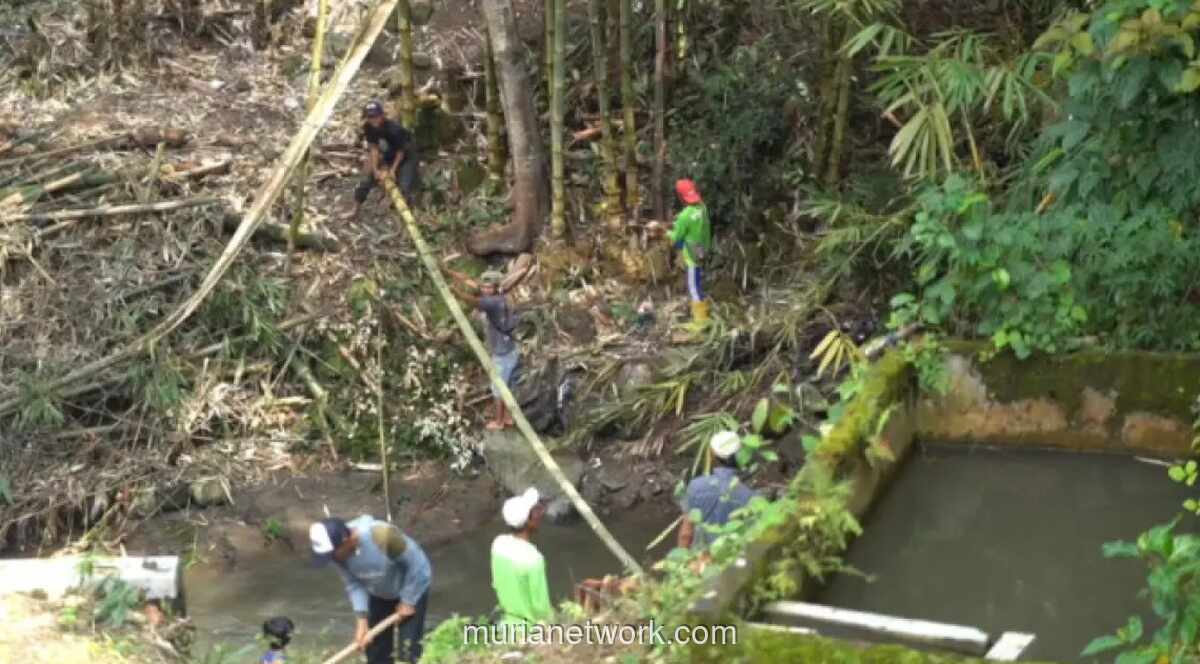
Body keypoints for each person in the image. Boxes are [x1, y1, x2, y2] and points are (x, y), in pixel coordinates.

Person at [310, 516, 432, 664]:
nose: (332, 560)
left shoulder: (381, 536)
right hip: (378, 592)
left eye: (332, 555)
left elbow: (418, 565)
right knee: (375, 648)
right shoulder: (337, 556)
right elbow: (354, 583)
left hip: (412, 586)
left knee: (408, 649)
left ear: (345, 540)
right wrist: (362, 621)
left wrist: (408, 600)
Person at [443, 259, 529, 431]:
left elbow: (474, 302)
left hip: (503, 353)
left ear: (496, 287)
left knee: (498, 388)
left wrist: (456, 293)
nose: (484, 290)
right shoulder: (500, 293)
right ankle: (507, 417)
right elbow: (471, 282)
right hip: (511, 348)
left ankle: (499, 422)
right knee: (509, 385)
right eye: (484, 287)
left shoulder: (493, 302)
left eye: (488, 288)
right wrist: (448, 272)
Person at [677, 431, 758, 550]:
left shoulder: (696, 486)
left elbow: (686, 534)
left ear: (713, 454)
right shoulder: (749, 496)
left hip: (699, 561)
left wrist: (680, 563)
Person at [346, 100, 420, 219]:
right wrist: (375, 170)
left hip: (406, 155)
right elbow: (374, 149)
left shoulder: (394, 129)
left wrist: (392, 170)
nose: (373, 120)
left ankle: (404, 215)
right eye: (370, 117)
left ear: (382, 115)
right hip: (388, 153)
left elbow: (401, 152)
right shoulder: (368, 127)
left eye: (376, 116)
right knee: (365, 181)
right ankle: (355, 210)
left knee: (405, 186)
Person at [490, 487, 553, 626]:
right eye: (536, 511)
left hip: (506, 626)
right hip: (528, 631)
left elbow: (497, 584)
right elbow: (541, 608)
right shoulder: (533, 559)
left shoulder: (498, 544)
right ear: (528, 521)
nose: (540, 514)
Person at [667, 179, 712, 324]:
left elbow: (676, 237)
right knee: (698, 282)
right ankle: (703, 312)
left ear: (680, 196)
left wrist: (664, 232)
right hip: (701, 249)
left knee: (693, 287)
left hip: (691, 255)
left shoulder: (684, 216)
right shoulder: (702, 208)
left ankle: (701, 321)